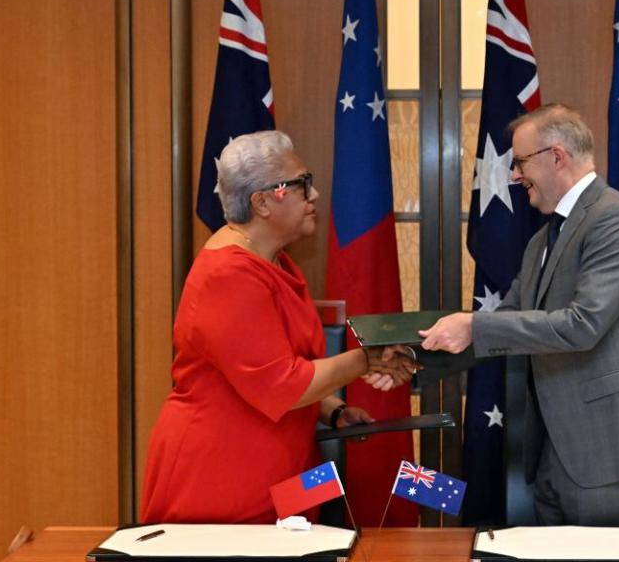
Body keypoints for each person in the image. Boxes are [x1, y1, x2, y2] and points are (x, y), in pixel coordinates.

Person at [419, 104, 619, 526]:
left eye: (520, 162)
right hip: (551, 448)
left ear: (557, 156)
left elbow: (583, 326)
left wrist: (472, 325)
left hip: (606, 448)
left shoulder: (617, 220)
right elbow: (503, 326)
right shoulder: (543, 238)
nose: (514, 176)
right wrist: (414, 360)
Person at [141, 130, 417, 524]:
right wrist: (367, 359)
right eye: (302, 185)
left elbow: (274, 368)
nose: (315, 195)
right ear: (262, 201)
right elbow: (282, 385)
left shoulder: (275, 262)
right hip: (223, 477)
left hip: (282, 469)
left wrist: (333, 410)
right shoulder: (229, 275)